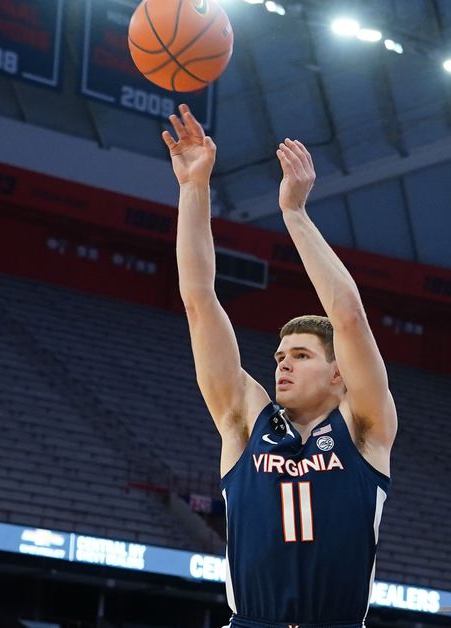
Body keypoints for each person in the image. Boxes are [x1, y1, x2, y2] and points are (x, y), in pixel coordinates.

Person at [163, 106, 397, 627]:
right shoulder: (244, 421)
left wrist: (294, 214)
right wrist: (194, 188)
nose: (282, 366)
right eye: (279, 357)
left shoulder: (364, 428)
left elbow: (350, 317)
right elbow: (199, 299)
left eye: (302, 356)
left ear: (339, 374)